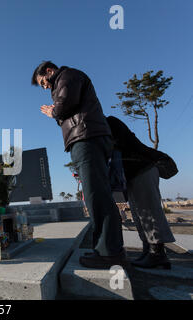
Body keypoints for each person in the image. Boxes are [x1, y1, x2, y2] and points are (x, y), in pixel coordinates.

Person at [32, 61, 125, 268]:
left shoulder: (68, 76)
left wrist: (53, 112)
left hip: (86, 137)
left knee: (96, 196)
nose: (45, 87)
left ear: (49, 71)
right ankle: (106, 249)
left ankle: (109, 253)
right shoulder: (65, 79)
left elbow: (65, 105)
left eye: (43, 82)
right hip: (86, 137)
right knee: (97, 195)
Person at [106, 116, 177, 269]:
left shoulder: (110, 122)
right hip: (132, 173)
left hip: (142, 167)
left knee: (149, 211)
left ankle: (157, 253)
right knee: (139, 213)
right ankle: (149, 250)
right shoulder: (102, 126)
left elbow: (121, 145)